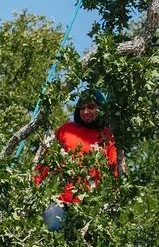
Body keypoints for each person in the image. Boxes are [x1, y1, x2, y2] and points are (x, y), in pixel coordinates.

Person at [34, 91, 119, 231]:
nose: (85, 112)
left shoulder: (108, 136)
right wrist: (34, 185)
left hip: (90, 205)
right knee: (51, 227)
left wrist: (113, 201)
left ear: (101, 109)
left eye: (91, 107)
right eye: (82, 107)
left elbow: (113, 170)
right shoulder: (66, 130)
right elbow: (46, 162)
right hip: (60, 200)